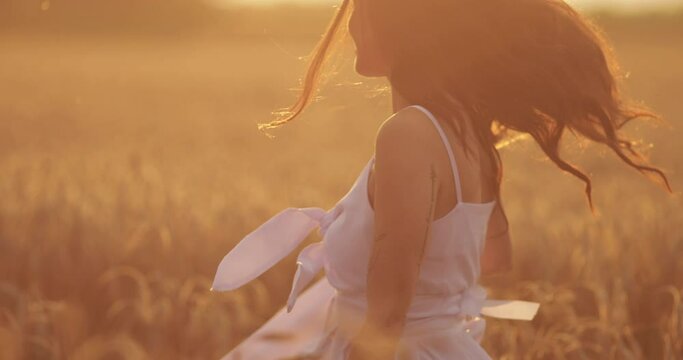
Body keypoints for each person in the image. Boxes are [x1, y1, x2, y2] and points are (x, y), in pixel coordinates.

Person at [211, 0, 672, 358]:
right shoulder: (472, 135)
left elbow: (389, 314)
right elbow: (492, 257)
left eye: (363, 11)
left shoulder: (407, 134)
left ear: (404, 26)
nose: (351, 26)